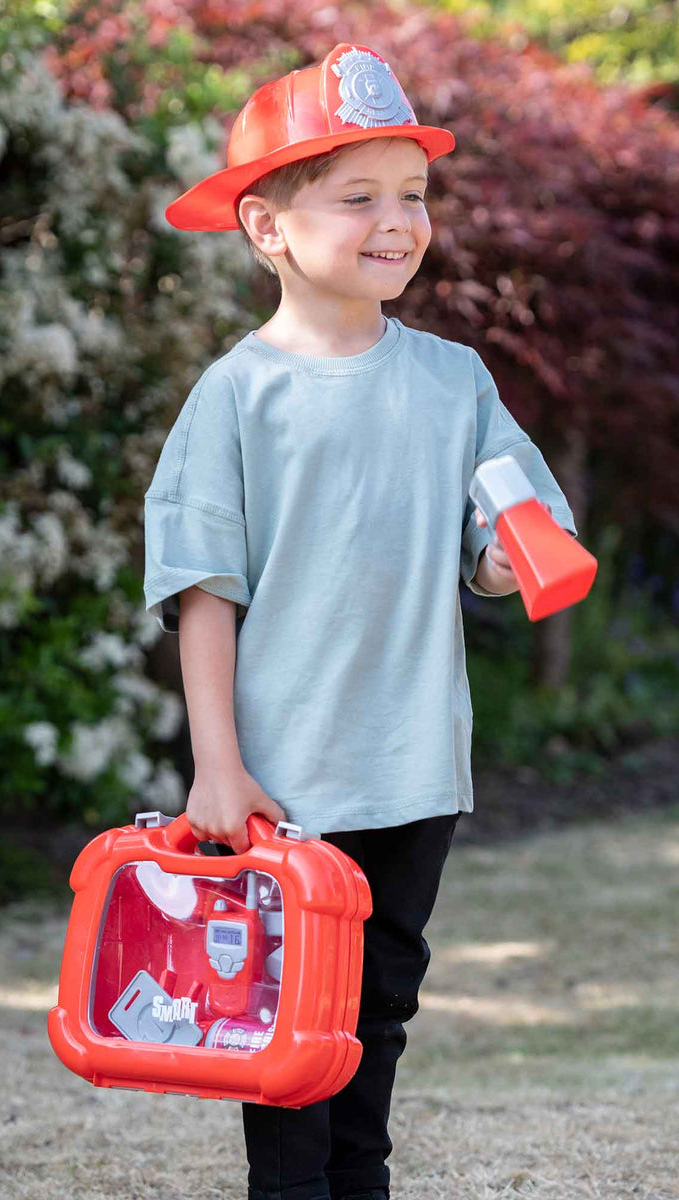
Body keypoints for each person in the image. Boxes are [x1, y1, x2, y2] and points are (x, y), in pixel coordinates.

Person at [144, 42, 577, 1200]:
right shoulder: (238, 395)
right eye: (359, 196)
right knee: (285, 1047)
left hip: (412, 770)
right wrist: (218, 770)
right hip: (281, 788)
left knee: (376, 1020)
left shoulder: (455, 381)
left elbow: (507, 530)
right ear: (268, 227)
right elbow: (203, 591)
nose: (399, 221)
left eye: (414, 193)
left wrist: (512, 558)